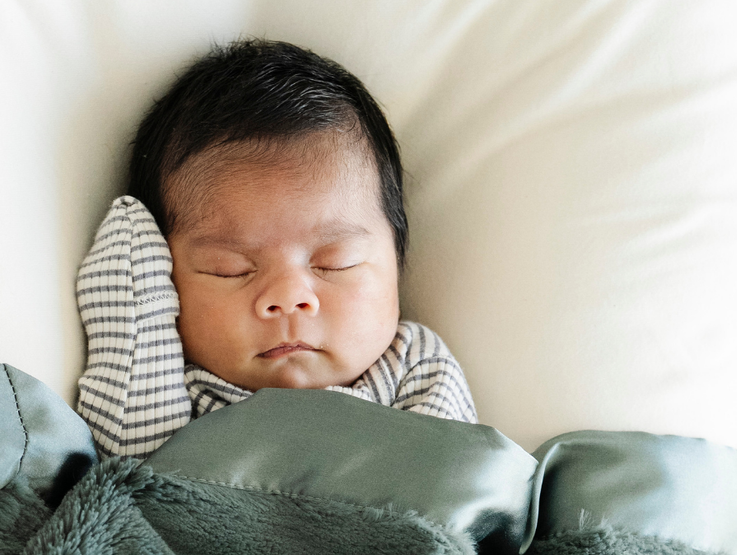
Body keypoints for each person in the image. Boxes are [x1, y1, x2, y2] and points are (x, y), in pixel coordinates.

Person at [75, 38, 477, 458]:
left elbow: (454, 494)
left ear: (396, 258)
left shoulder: (413, 366)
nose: (288, 298)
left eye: (335, 262)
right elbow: (129, 474)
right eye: (228, 268)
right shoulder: (173, 386)